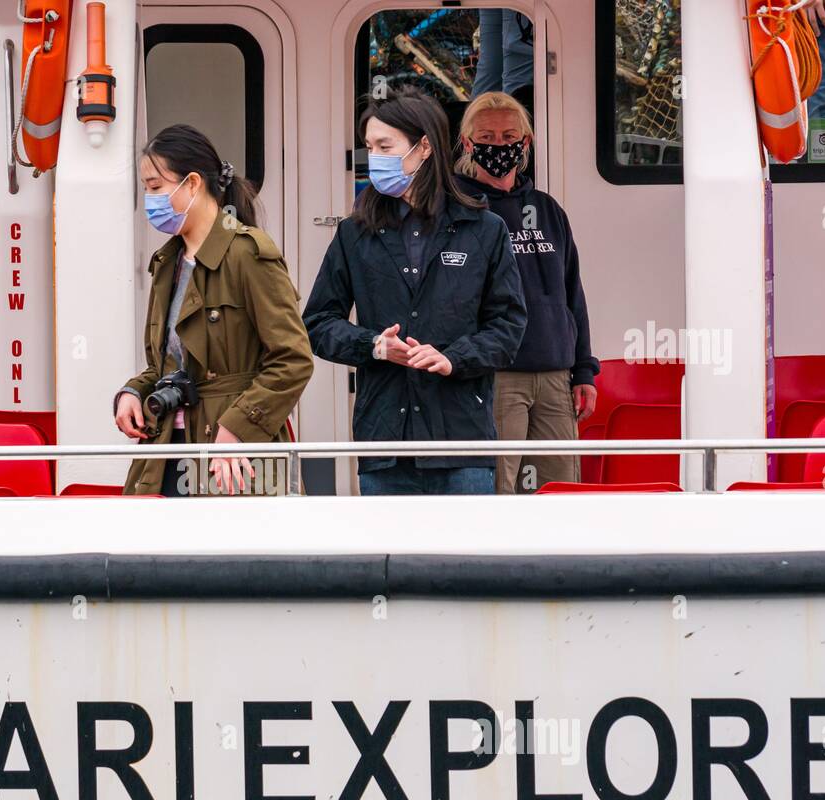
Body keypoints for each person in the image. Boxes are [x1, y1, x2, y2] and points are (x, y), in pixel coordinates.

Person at [304, 86, 526, 496]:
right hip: (385, 442)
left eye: (385, 146)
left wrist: (452, 358)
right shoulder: (354, 233)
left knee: (464, 560)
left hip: (462, 443)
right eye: (369, 147)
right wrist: (373, 345)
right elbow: (317, 323)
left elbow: (509, 327)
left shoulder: (484, 229)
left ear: (424, 147)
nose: (374, 158)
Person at [114, 125, 313, 496]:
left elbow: (293, 359)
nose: (149, 199)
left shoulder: (247, 253)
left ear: (192, 183)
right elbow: (169, 365)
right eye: (145, 188)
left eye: (156, 187)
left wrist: (237, 427)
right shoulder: (168, 262)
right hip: (166, 450)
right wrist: (132, 392)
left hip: (236, 455)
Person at [455, 91, 598, 494]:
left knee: (560, 493)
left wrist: (583, 369)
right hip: (496, 376)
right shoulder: (458, 209)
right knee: (499, 490)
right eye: (487, 136)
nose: (498, 145)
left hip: (555, 375)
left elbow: (572, 294)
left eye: (508, 136)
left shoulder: (548, 209)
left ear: (526, 142)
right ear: (468, 143)